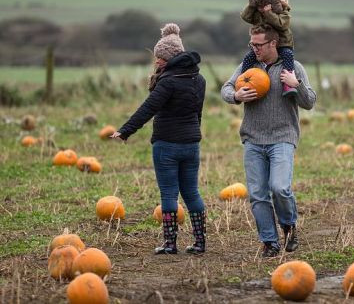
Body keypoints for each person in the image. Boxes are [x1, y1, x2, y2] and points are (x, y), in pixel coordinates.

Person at [111, 23, 207, 255]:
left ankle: (170, 243)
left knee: (168, 194)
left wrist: (125, 131)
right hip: (191, 144)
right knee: (192, 192)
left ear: (170, 57)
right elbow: (198, 113)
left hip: (167, 145)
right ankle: (200, 242)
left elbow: (148, 108)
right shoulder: (199, 80)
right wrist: (193, 133)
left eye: (159, 57)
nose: (156, 61)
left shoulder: (168, 81)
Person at [221, 24, 316, 257]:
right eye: (251, 44)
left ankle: (289, 225)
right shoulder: (248, 67)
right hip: (253, 139)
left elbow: (310, 101)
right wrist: (236, 96)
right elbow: (226, 88)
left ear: (273, 43)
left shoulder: (293, 68)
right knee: (257, 194)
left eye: (258, 45)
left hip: (283, 138)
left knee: (280, 188)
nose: (254, 49)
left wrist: (297, 85)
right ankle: (269, 242)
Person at [240, 0, 296, 97]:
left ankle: (288, 84)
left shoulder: (284, 13)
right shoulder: (257, 14)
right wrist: (252, 5)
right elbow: (245, 17)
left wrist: (269, 13)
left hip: (283, 44)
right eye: (259, 7)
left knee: (287, 55)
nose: (261, 9)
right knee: (248, 57)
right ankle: (243, 81)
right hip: (263, 44)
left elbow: (281, 24)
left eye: (264, 6)